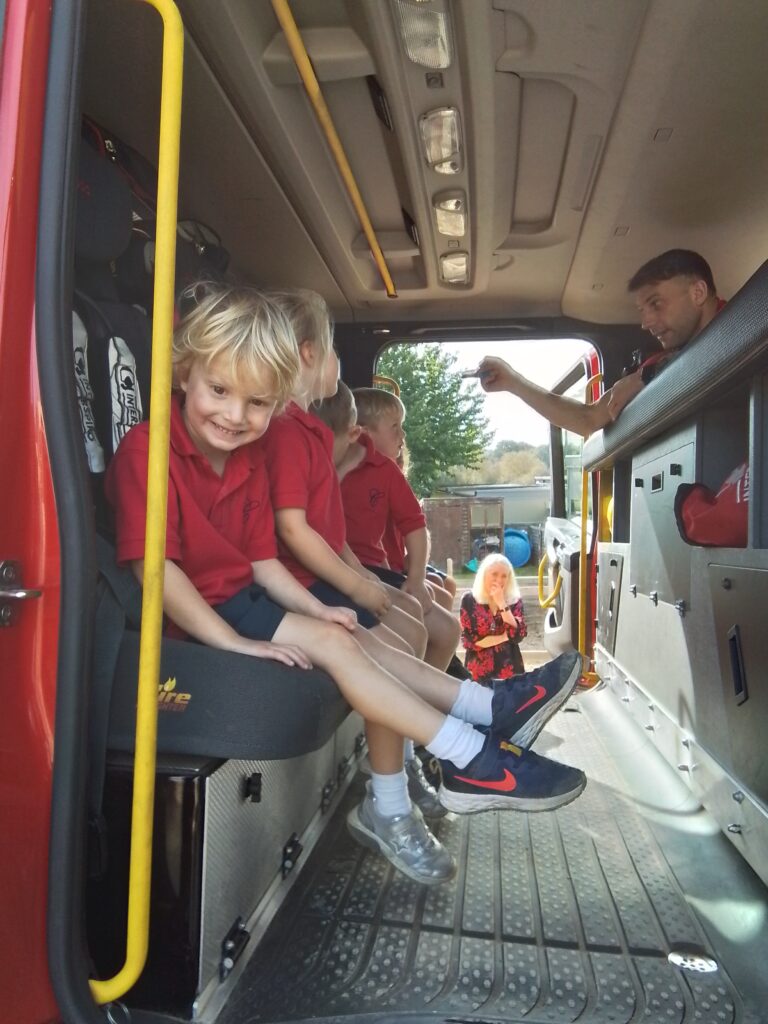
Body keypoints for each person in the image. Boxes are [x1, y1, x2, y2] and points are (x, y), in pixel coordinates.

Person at [105, 282, 587, 885]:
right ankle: (473, 755)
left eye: (257, 404)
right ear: (183, 375)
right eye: (219, 391)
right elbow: (158, 572)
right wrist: (236, 646)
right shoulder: (147, 452)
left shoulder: (250, 459)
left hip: (240, 600)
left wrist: (315, 610)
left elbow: (261, 563)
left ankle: (488, 711)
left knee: (347, 634)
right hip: (194, 612)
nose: (235, 416)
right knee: (340, 641)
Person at [472, 250, 724, 437]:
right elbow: (588, 418)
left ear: (698, 293)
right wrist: (513, 381)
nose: (645, 322)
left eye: (656, 304)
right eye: (642, 310)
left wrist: (649, 377)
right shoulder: (658, 362)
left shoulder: (753, 321)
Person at [313, 381, 460, 673]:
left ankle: (431, 699)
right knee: (439, 628)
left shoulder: (385, 470)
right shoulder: (318, 463)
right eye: (395, 427)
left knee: (446, 627)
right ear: (360, 433)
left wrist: (416, 579)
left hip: (369, 567)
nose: (403, 435)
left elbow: (415, 526)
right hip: (330, 568)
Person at [460, 554, 527, 685]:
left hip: (509, 672)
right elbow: (470, 641)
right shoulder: (469, 600)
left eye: (504, 576)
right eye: (494, 574)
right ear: (484, 575)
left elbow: (517, 635)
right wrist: (503, 637)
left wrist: (501, 603)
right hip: (478, 673)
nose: (499, 580)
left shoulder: (515, 601)